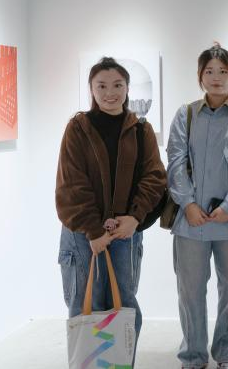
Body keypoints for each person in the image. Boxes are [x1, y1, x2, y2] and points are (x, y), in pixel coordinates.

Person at [55, 56, 166, 354]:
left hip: (125, 233)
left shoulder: (141, 129)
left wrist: (134, 218)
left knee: (124, 305)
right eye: (101, 86)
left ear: (127, 88)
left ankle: (120, 363)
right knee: (85, 305)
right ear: (91, 89)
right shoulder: (78, 128)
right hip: (83, 235)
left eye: (117, 85)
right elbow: (72, 183)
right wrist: (94, 230)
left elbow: (155, 177)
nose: (110, 93)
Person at [167, 44, 228, 369]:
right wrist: (187, 203)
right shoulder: (186, 114)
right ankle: (193, 355)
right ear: (200, 76)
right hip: (192, 221)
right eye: (209, 71)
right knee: (189, 291)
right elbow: (175, 160)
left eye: (223, 71)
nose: (216, 77)